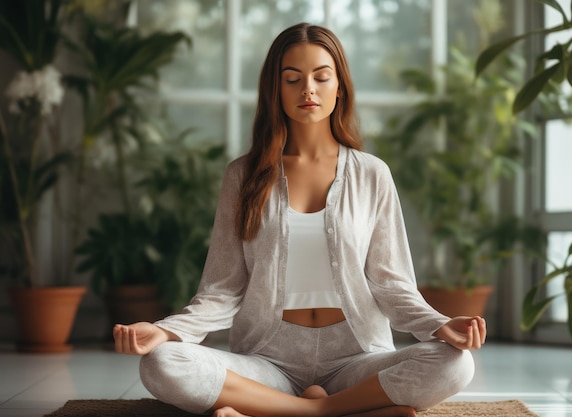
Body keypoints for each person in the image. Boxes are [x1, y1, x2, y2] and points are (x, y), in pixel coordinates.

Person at [113, 22, 486, 417]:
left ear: (339, 86)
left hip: (356, 358)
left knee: (455, 363)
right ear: (276, 90)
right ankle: (332, 412)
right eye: (292, 79)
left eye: (321, 77)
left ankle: (283, 411)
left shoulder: (372, 173)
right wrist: (168, 330)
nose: (308, 89)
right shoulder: (243, 175)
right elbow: (221, 290)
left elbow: (391, 283)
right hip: (267, 361)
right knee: (162, 363)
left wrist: (439, 324)